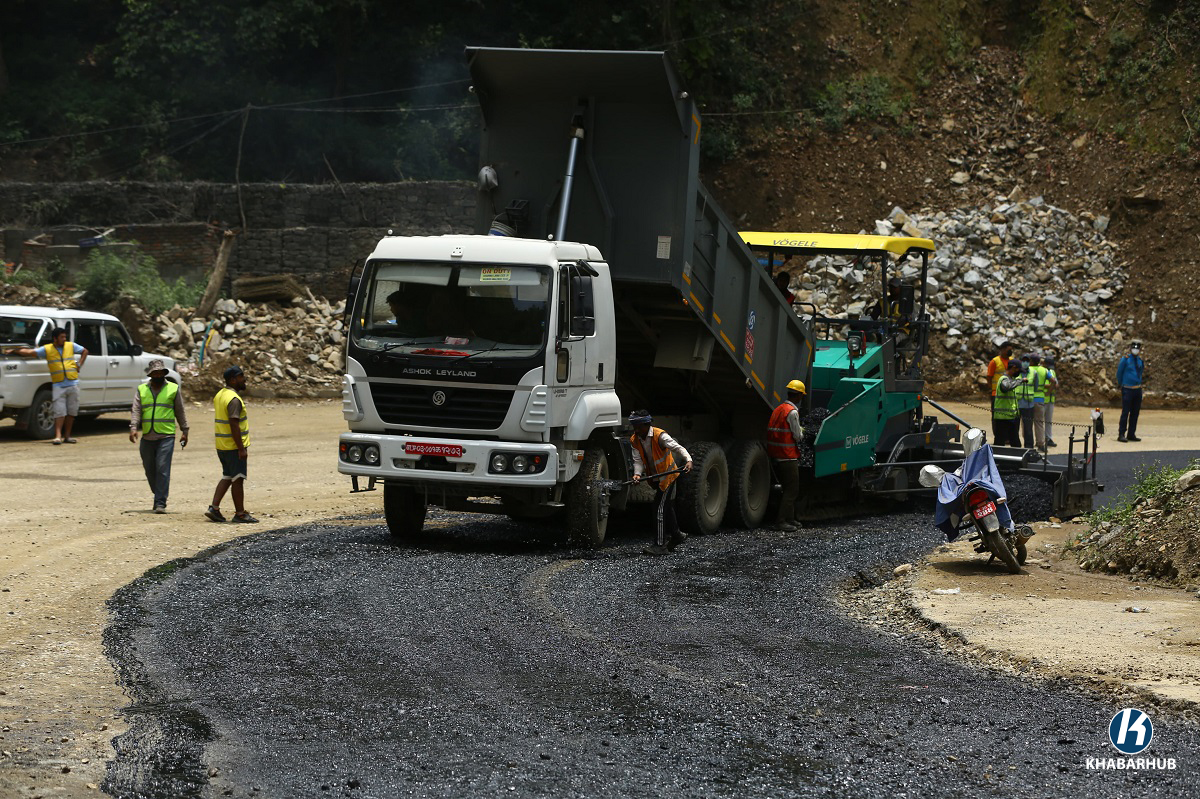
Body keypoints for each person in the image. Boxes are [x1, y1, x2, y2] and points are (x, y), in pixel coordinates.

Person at [6, 327, 88, 444]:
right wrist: (14, 350)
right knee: (59, 412)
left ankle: (67, 436)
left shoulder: (71, 346)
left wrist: (79, 364)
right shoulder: (47, 349)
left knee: (71, 413)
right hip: (59, 385)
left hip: (73, 384)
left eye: (65, 337)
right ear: (55, 338)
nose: (64, 339)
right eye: (62, 337)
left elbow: (85, 351)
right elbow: (30, 352)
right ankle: (58, 436)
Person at [629, 409, 693, 555]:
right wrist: (637, 474)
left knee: (659, 508)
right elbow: (637, 460)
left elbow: (677, 448)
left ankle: (660, 545)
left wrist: (688, 460)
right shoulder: (635, 439)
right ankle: (677, 535)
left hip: (668, 476)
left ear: (647, 424)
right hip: (656, 477)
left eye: (639, 427)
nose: (636, 430)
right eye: (634, 427)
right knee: (666, 506)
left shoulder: (660, 436)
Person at [129, 359, 189, 513]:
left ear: (164, 373)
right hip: (147, 436)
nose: (157, 375)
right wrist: (133, 427)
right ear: (150, 375)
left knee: (162, 468)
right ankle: (159, 493)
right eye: (155, 373)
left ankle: (160, 502)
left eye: (160, 373)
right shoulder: (142, 389)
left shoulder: (173, 389)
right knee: (149, 469)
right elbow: (136, 410)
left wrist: (185, 430)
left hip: (166, 436)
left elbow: (180, 410)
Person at [206, 365, 258, 523]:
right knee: (238, 478)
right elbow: (234, 424)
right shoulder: (234, 399)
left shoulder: (220, 394)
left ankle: (214, 508)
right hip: (233, 446)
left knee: (227, 476)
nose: (244, 379)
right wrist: (241, 449)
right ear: (233, 380)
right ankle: (240, 514)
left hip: (222, 445)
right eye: (241, 376)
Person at [766, 379, 807, 532]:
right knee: (792, 490)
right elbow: (797, 436)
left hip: (776, 454)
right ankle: (781, 521)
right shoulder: (793, 412)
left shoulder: (778, 409)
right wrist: (802, 432)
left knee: (786, 488)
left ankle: (790, 519)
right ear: (799, 395)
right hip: (787, 456)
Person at [1116, 341, 1145, 442]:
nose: (1135, 350)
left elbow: (1141, 372)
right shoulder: (1125, 359)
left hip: (1137, 389)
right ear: (1131, 349)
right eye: (1134, 348)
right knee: (1125, 412)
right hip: (1127, 389)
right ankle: (1121, 434)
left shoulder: (1140, 360)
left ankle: (1131, 433)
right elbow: (1119, 373)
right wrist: (1121, 384)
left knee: (1135, 413)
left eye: (1137, 349)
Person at [1026, 352, 1055, 453]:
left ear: (1031, 361)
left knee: (1027, 423)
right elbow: (1053, 381)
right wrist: (1048, 392)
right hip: (1040, 400)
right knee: (1039, 423)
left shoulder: (1028, 369)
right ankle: (1041, 444)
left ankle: (1028, 445)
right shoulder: (1044, 370)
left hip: (1028, 400)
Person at [991, 361, 1024, 447]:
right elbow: (1006, 387)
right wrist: (1019, 381)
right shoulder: (1004, 379)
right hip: (1002, 417)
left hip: (1010, 417)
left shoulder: (1010, 380)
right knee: (999, 443)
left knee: (1015, 443)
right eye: (1018, 370)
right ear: (1013, 368)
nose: (1018, 373)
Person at [1015, 355, 1037, 449]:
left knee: (1028, 429)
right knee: (1015, 427)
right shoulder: (1016, 372)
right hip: (1016, 404)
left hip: (1028, 405)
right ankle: (1016, 447)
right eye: (1023, 361)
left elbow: (1036, 386)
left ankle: (1029, 448)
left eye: (1027, 361)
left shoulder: (1034, 372)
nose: (1025, 363)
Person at [987, 341, 1014, 411]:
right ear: (1003, 349)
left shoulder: (1012, 361)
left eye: (1011, 350)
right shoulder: (994, 361)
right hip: (997, 393)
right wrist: (992, 389)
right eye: (1009, 350)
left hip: (1009, 393)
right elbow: (989, 377)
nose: (1010, 352)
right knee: (996, 414)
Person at [1043, 354, 1059, 447]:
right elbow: (1039, 384)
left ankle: (1048, 438)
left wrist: (1052, 385)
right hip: (1042, 399)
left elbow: (1056, 384)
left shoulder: (1052, 371)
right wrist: (1050, 386)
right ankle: (1041, 439)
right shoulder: (1042, 371)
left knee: (1048, 421)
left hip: (1050, 400)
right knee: (1039, 422)